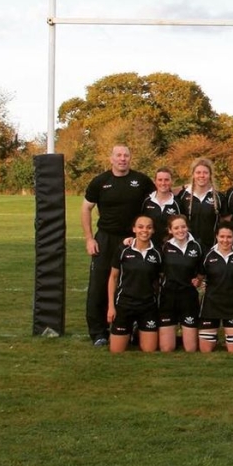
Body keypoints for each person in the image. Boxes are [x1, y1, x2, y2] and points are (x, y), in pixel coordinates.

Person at [81, 144, 155, 346]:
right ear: (111, 158)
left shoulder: (140, 181)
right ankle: (98, 332)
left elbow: (163, 193)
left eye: (126, 155)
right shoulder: (100, 182)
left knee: (132, 283)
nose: (122, 159)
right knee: (99, 283)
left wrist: (188, 187)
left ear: (130, 158)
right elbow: (86, 209)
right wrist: (89, 238)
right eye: (119, 155)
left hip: (132, 239)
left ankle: (128, 328)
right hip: (105, 238)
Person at [106, 214, 162, 354]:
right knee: (116, 351)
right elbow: (113, 278)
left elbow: (161, 279)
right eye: (140, 227)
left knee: (149, 350)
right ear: (134, 229)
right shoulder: (123, 250)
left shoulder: (157, 253)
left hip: (147, 305)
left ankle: (137, 331)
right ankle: (129, 330)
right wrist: (111, 307)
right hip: (125, 304)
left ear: (153, 230)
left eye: (149, 227)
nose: (145, 230)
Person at [197, 224, 233, 353]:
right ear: (216, 236)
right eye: (222, 236)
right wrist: (200, 282)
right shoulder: (207, 255)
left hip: (232, 305)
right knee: (205, 350)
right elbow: (199, 276)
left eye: (229, 237)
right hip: (211, 304)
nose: (225, 240)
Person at [159, 214, 203, 353]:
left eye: (183, 227)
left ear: (187, 227)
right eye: (176, 228)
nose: (180, 230)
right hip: (168, 296)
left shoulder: (197, 246)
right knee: (167, 348)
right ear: (170, 230)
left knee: (190, 349)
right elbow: (159, 270)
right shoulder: (164, 247)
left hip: (188, 296)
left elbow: (203, 269)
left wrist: (199, 279)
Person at [176, 157, 226, 253]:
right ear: (193, 175)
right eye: (198, 172)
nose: (202, 176)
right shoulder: (183, 195)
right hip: (186, 248)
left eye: (205, 173)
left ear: (210, 175)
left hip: (211, 248)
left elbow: (225, 223)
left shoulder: (219, 197)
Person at [140, 166, 181, 245]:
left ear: (171, 181)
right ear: (154, 181)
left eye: (166, 180)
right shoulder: (146, 201)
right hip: (150, 246)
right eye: (160, 180)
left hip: (171, 247)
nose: (163, 183)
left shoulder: (177, 203)